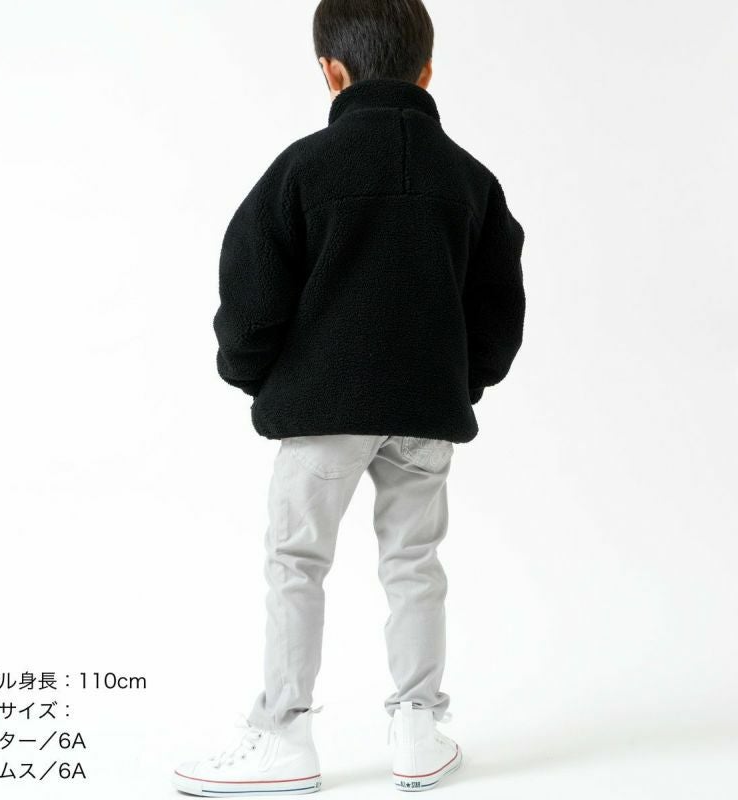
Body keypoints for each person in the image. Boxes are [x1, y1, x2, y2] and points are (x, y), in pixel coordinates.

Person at [173, 0, 525, 794]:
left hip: (321, 413)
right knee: (414, 564)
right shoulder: (472, 181)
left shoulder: (303, 169)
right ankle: (418, 730)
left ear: (332, 73)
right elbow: (500, 308)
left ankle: (285, 737)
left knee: (296, 564)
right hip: (426, 414)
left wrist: (258, 376)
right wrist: (460, 380)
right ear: (426, 72)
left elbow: (250, 295)